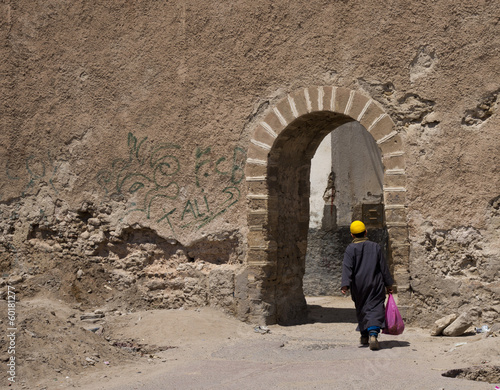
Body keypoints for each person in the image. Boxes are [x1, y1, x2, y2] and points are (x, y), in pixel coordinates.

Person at [341, 220, 394, 351]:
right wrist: (388, 284)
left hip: (358, 286)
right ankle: (373, 334)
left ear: (352, 235)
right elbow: (383, 266)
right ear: (365, 232)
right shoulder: (375, 246)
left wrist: (345, 284)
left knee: (362, 308)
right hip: (375, 283)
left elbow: (347, 267)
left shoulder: (350, 249)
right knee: (375, 307)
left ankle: (364, 335)